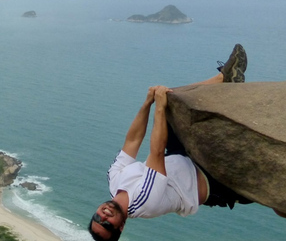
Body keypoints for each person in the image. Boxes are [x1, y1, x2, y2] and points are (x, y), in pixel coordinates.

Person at [88, 44, 251, 241]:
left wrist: (148, 102)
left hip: (180, 156)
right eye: (107, 224)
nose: (103, 216)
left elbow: (132, 141)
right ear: (121, 227)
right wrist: (160, 105)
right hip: (208, 180)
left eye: (97, 217)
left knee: (172, 101)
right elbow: (156, 153)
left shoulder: (114, 180)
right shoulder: (142, 202)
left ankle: (224, 79)